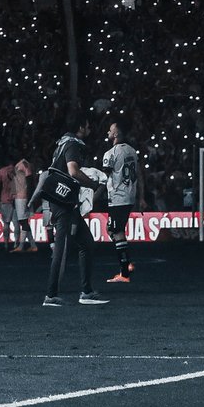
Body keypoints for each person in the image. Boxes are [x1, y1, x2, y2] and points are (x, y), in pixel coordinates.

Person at [35, 116, 109, 306]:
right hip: (63, 202)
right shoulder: (72, 144)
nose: (89, 128)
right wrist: (92, 184)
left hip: (61, 200)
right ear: (80, 127)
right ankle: (51, 295)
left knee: (86, 243)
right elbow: (73, 171)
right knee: (61, 249)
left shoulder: (62, 143)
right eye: (88, 125)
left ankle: (86, 292)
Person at [103, 121, 140, 282]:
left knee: (116, 232)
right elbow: (139, 173)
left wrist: (92, 195)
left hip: (118, 197)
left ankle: (124, 273)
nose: (108, 132)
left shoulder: (110, 153)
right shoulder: (132, 151)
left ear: (116, 134)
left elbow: (104, 177)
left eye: (110, 130)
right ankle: (127, 262)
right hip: (129, 195)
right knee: (111, 229)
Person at [9, 158, 38, 253]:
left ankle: (21, 246)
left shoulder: (24, 164)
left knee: (23, 221)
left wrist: (30, 197)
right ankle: (33, 246)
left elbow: (29, 181)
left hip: (23, 196)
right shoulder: (18, 164)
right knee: (23, 221)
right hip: (19, 196)